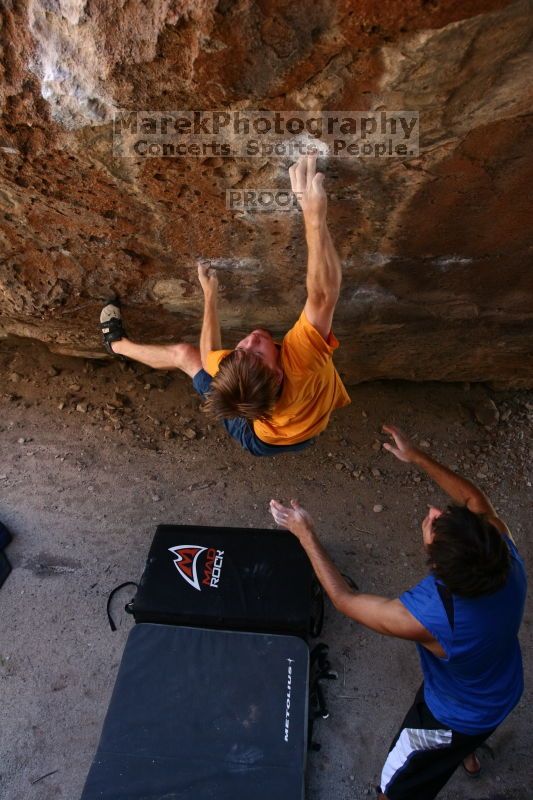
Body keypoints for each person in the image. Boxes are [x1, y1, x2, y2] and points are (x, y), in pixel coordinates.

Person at [269, 424, 527, 800]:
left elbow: (345, 599)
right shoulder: (503, 554)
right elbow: (473, 498)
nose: (434, 510)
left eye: (435, 526)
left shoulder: (430, 617)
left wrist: (305, 533)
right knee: (467, 733)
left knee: (393, 788)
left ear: (437, 568)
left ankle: (455, 754)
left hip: (451, 716)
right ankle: (467, 757)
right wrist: (418, 457)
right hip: (503, 686)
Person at [98, 154, 350, 456]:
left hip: (276, 432)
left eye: (243, 348)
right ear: (278, 374)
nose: (253, 339)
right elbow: (323, 295)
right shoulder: (301, 364)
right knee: (189, 357)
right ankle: (117, 347)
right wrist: (313, 216)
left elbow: (207, 358)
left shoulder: (236, 366)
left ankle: (116, 345)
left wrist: (210, 296)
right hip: (278, 434)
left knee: (184, 355)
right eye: (258, 352)